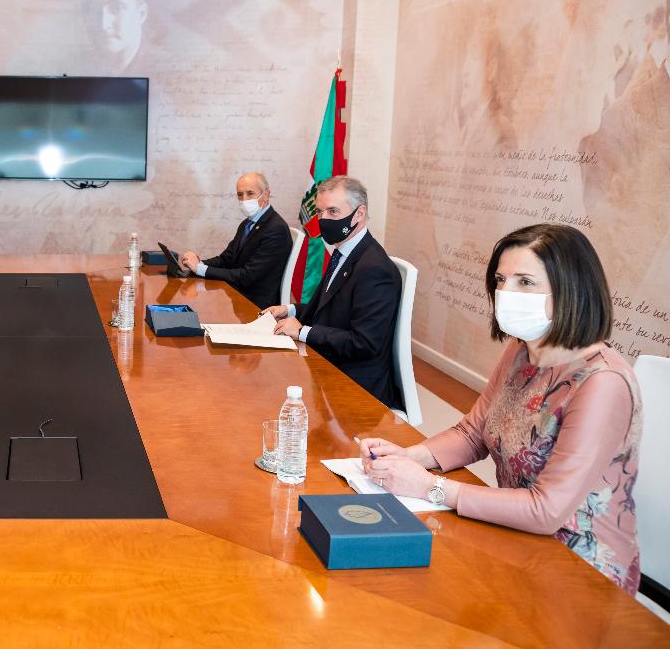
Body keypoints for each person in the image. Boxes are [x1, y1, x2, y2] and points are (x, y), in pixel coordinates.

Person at [358, 224, 642, 594]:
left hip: (578, 567)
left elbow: (546, 511)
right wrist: (408, 458)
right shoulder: (522, 349)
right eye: (501, 279)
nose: (505, 293)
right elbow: (473, 433)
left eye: (525, 282)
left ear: (572, 290)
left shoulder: (601, 383)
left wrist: (433, 488)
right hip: (513, 533)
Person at [265, 175, 402, 409]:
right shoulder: (343, 251)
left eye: (333, 212)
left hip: (356, 386)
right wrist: (288, 309)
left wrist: (303, 332)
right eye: (320, 212)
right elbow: (327, 307)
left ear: (359, 213)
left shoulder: (375, 269)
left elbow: (364, 343)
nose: (324, 220)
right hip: (329, 364)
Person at [179, 171, 292, 308]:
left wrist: (201, 269)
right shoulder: (247, 224)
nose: (244, 199)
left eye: (250, 193)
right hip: (238, 297)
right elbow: (226, 259)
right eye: (240, 195)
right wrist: (197, 263)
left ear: (266, 195)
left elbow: (247, 276)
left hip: (256, 307)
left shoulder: (276, 229)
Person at [79, 0, 148, 73]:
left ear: (141, 14)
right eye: (93, 10)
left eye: (116, 8)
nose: (103, 24)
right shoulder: (77, 67)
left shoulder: (166, 74)